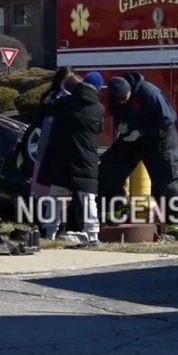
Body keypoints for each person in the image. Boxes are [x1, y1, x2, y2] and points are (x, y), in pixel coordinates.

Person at [98, 72, 178, 240]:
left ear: (130, 91)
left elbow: (168, 119)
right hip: (133, 138)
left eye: (125, 98)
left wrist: (142, 130)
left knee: (167, 182)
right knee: (108, 168)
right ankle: (113, 215)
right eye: (120, 100)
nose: (122, 102)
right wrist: (123, 126)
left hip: (160, 139)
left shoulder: (148, 92)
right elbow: (118, 114)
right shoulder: (115, 97)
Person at [37, 72, 105, 246]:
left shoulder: (64, 103)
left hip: (61, 158)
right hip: (85, 159)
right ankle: (93, 236)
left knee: (56, 196)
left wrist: (56, 92)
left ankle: (49, 233)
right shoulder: (98, 109)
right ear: (97, 89)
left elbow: (45, 107)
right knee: (88, 198)